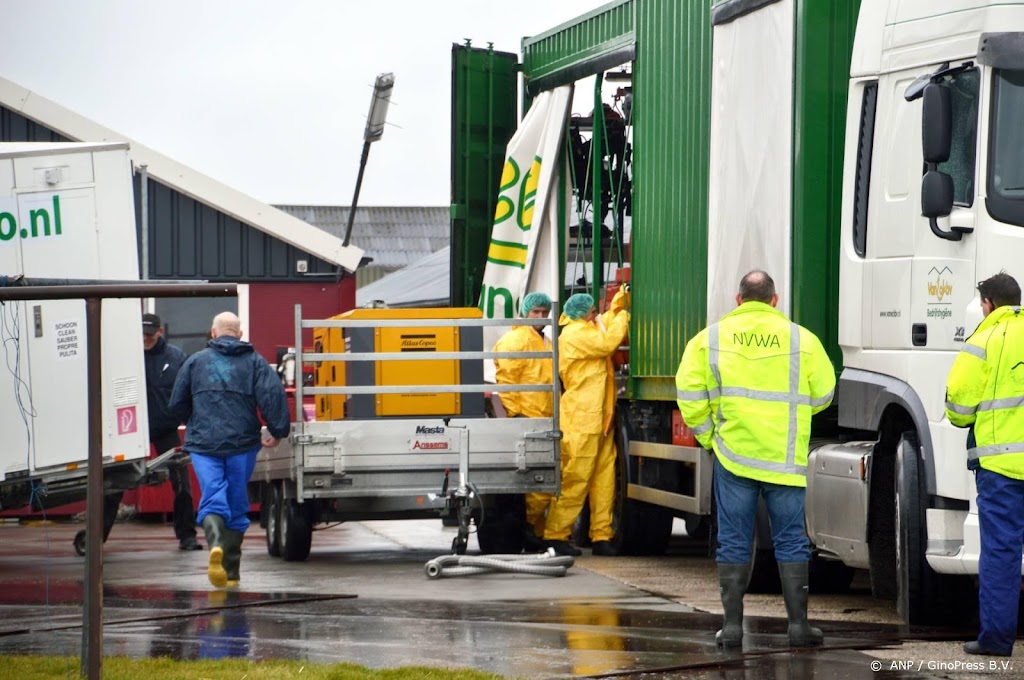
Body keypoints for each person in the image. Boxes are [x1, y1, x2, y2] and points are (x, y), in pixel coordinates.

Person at [676, 270, 835, 648]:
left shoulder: (709, 339)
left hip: (733, 456)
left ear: (738, 300)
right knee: (792, 541)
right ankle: (798, 627)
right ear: (775, 301)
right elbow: (825, 393)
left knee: (733, 540)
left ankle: (732, 628)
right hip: (784, 457)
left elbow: (689, 393)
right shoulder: (802, 339)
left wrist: (709, 436)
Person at [170, 312, 290, 588]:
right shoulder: (256, 363)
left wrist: (194, 421)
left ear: (213, 333)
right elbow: (273, 397)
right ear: (239, 333)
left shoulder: (195, 362)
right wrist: (277, 430)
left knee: (212, 496)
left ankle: (216, 547)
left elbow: (177, 402)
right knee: (237, 503)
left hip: (203, 444)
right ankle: (232, 571)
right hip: (242, 443)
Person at [944, 272, 1024, 658]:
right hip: (1003, 467)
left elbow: (959, 410)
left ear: (988, 303)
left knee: (1002, 553)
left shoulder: (984, 341)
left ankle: (996, 640)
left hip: (1001, 469)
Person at [542, 287, 629, 557]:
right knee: (575, 478)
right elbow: (607, 343)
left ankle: (601, 536)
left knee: (603, 480)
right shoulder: (575, 334)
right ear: (582, 313)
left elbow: (603, 331)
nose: (596, 314)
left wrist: (616, 307)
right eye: (593, 311)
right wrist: (623, 314)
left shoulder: (584, 330)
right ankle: (556, 534)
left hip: (597, 418)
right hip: (581, 418)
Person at [493, 292, 555, 549]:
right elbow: (506, 381)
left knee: (542, 481)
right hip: (527, 418)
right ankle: (527, 531)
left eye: (543, 313)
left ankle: (534, 533)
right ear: (525, 313)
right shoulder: (516, 340)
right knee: (534, 482)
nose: (540, 317)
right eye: (535, 313)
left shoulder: (544, 340)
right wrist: (515, 415)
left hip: (543, 417)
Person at [142, 313, 200, 551]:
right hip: (134, 431)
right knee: (114, 484)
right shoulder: (127, 355)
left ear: (159, 332)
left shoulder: (176, 358)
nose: (145, 338)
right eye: (142, 334)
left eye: (149, 334)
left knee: (182, 483)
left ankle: (187, 536)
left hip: (166, 429)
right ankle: (96, 538)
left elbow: (190, 391)